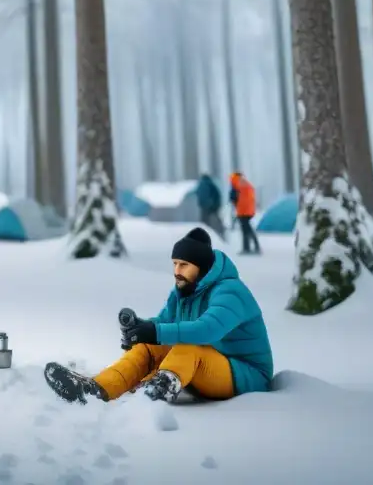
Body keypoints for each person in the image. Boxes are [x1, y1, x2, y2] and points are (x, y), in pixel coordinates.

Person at [44, 227, 273, 405]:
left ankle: (154, 392)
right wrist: (140, 329)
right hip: (205, 367)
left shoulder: (231, 291)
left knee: (187, 347)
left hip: (245, 377)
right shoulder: (184, 290)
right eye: (174, 264)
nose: (176, 271)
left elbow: (207, 329)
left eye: (184, 265)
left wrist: (156, 332)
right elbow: (164, 322)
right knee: (148, 348)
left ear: (202, 268)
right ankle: (97, 389)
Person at [229, 171, 261, 255]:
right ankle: (255, 246)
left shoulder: (238, 184)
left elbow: (235, 198)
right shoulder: (245, 183)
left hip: (243, 210)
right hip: (248, 210)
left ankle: (247, 248)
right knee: (248, 229)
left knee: (245, 230)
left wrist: (235, 202)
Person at [195, 173, 225, 240]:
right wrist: (217, 205)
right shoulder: (211, 184)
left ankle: (203, 235)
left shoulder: (200, 185)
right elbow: (217, 195)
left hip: (203, 206)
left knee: (204, 221)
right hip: (212, 206)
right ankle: (221, 231)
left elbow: (197, 193)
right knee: (216, 219)